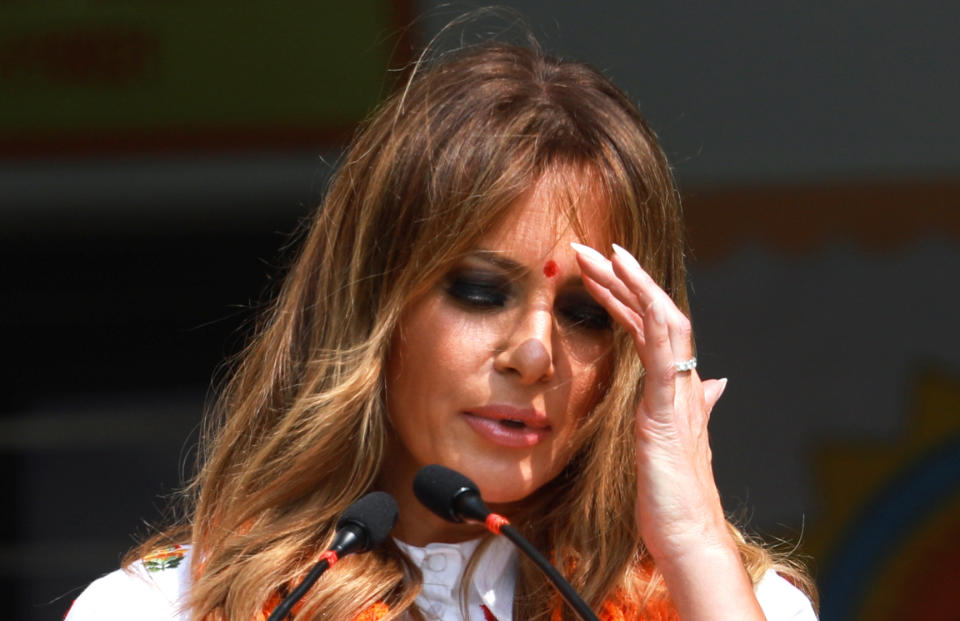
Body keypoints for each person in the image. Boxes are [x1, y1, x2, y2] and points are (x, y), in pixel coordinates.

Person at [65, 40, 817, 621]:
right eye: (482, 291)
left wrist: (691, 542)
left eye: (586, 314)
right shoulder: (170, 607)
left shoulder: (731, 597)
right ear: (373, 310)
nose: (533, 354)